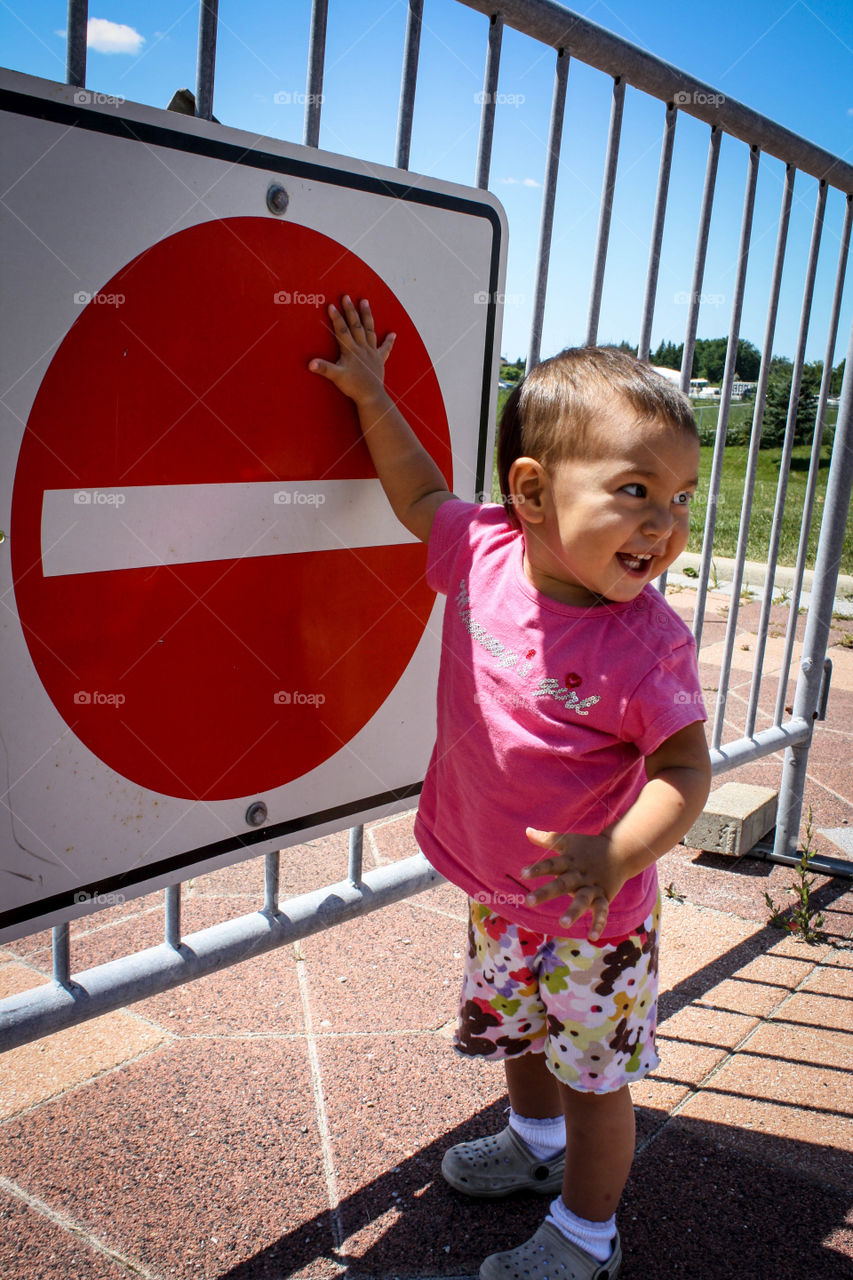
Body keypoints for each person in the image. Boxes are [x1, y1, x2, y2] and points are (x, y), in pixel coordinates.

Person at [309, 296, 712, 1280]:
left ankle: (586, 1233)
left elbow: (685, 771)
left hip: (593, 911)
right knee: (523, 1032)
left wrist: (617, 850)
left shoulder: (646, 643)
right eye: (636, 490)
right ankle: (533, 1145)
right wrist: (370, 392)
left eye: (683, 497)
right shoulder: (483, 549)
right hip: (501, 886)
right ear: (530, 492)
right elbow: (414, 491)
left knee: (595, 1075)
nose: (665, 525)